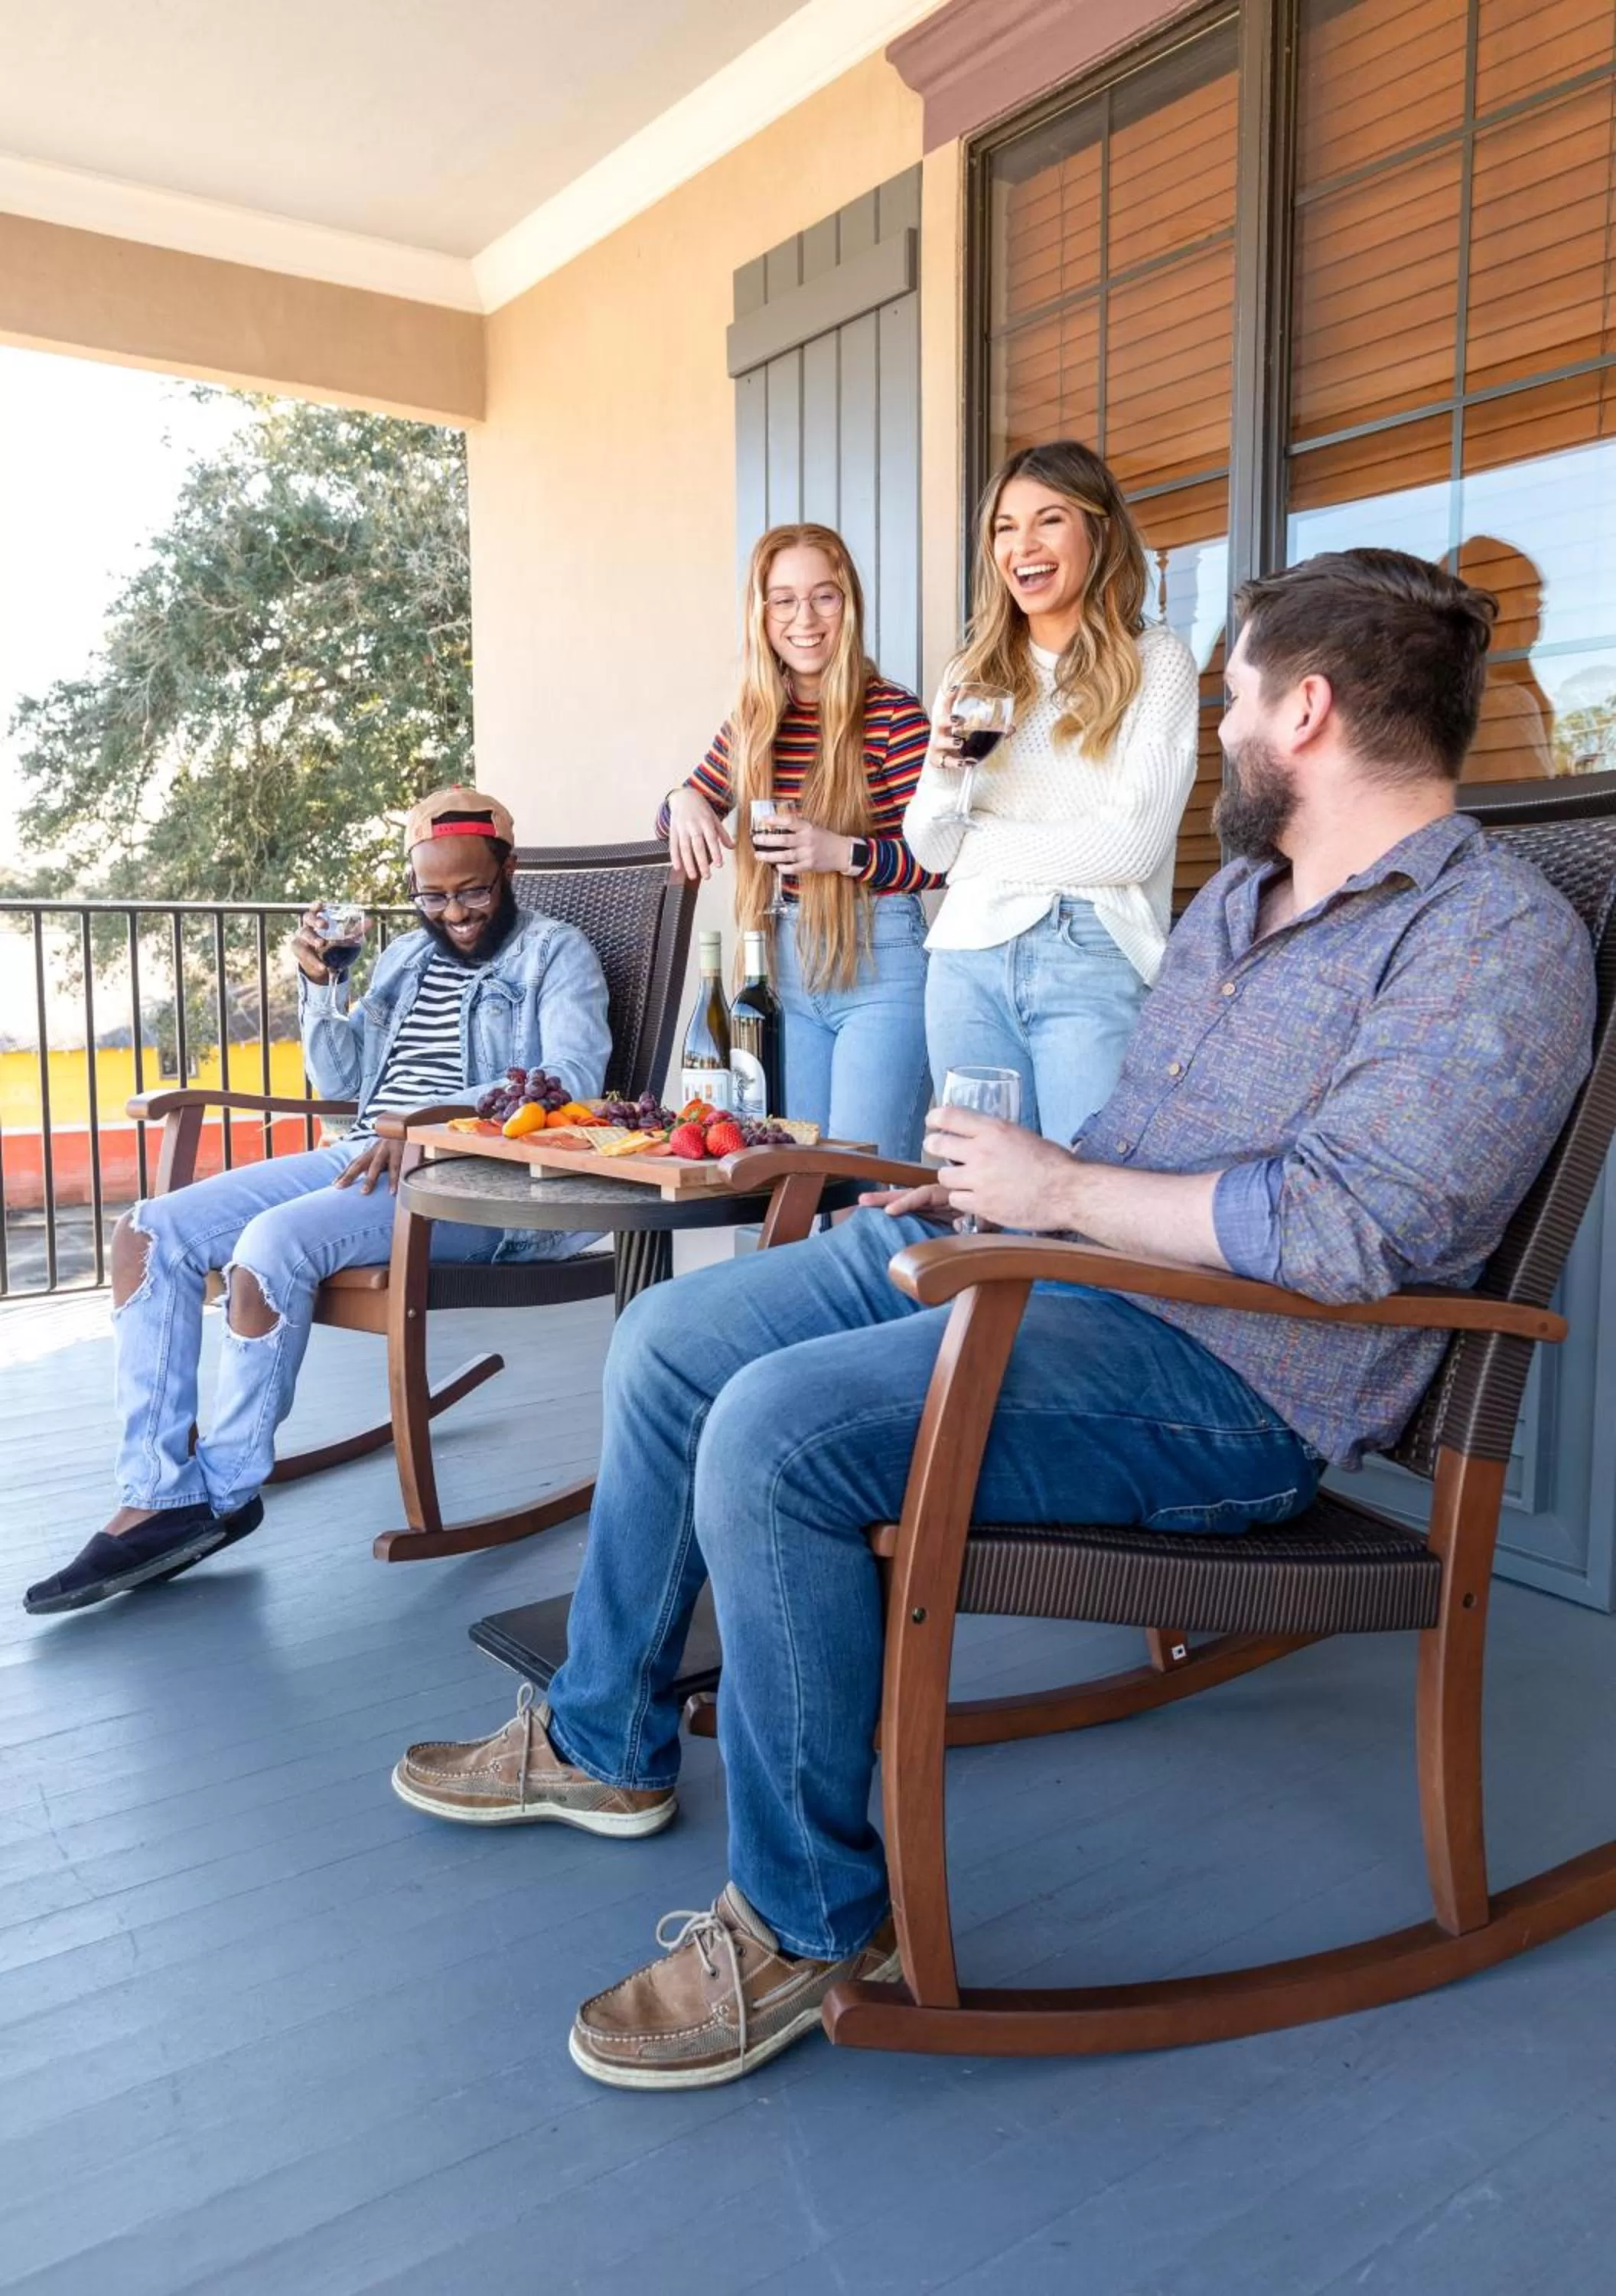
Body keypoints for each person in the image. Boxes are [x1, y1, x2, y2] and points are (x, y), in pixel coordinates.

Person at [390, 552, 1593, 2092]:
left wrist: (1062, 1199)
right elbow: (1143, 1141)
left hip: (1233, 1379)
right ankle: (605, 1736)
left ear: (1308, 710)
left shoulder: (1493, 940)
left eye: (1229, 702)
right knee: (679, 1343)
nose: (1214, 730)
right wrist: (1010, 1202)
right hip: (1061, 1264)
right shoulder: (1242, 897)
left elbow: (1348, 1232)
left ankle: (815, 1921)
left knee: (777, 1438)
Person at [24, 786, 611, 1617]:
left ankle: (224, 1491)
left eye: (473, 891)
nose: (456, 914)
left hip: (473, 1185)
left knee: (272, 1246)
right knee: (148, 1233)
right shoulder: (408, 959)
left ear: (509, 870)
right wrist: (319, 985)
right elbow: (340, 1082)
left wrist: (434, 1123)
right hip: (363, 1154)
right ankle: (157, 1493)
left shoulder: (558, 955)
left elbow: (571, 1083)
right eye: (433, 897)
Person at [906, 440, 1200, 1147]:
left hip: (1092, 951)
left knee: (1083, 1211)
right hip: (966, 958)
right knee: (977, 1207)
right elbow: (931, 845)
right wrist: (948, 776)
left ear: (1097, 531)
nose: (1022, 546)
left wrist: (983, 848)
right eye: (1005, 527)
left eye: (1049, 520)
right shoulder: (973, 673)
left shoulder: (1155, 664)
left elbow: (1129, 848)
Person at [659, 522, 940, 1158]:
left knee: (858, 1187)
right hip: (782, 966)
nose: (804, 618)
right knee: (801, 1181)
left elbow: (941, 857)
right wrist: (681, 802)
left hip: (879, 961)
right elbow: (685, 808)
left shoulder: (893, 713)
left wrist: (839, 853)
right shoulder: (753, 723)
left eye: (824, 597)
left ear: (850, 605)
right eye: (783, 600)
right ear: (762, 615)